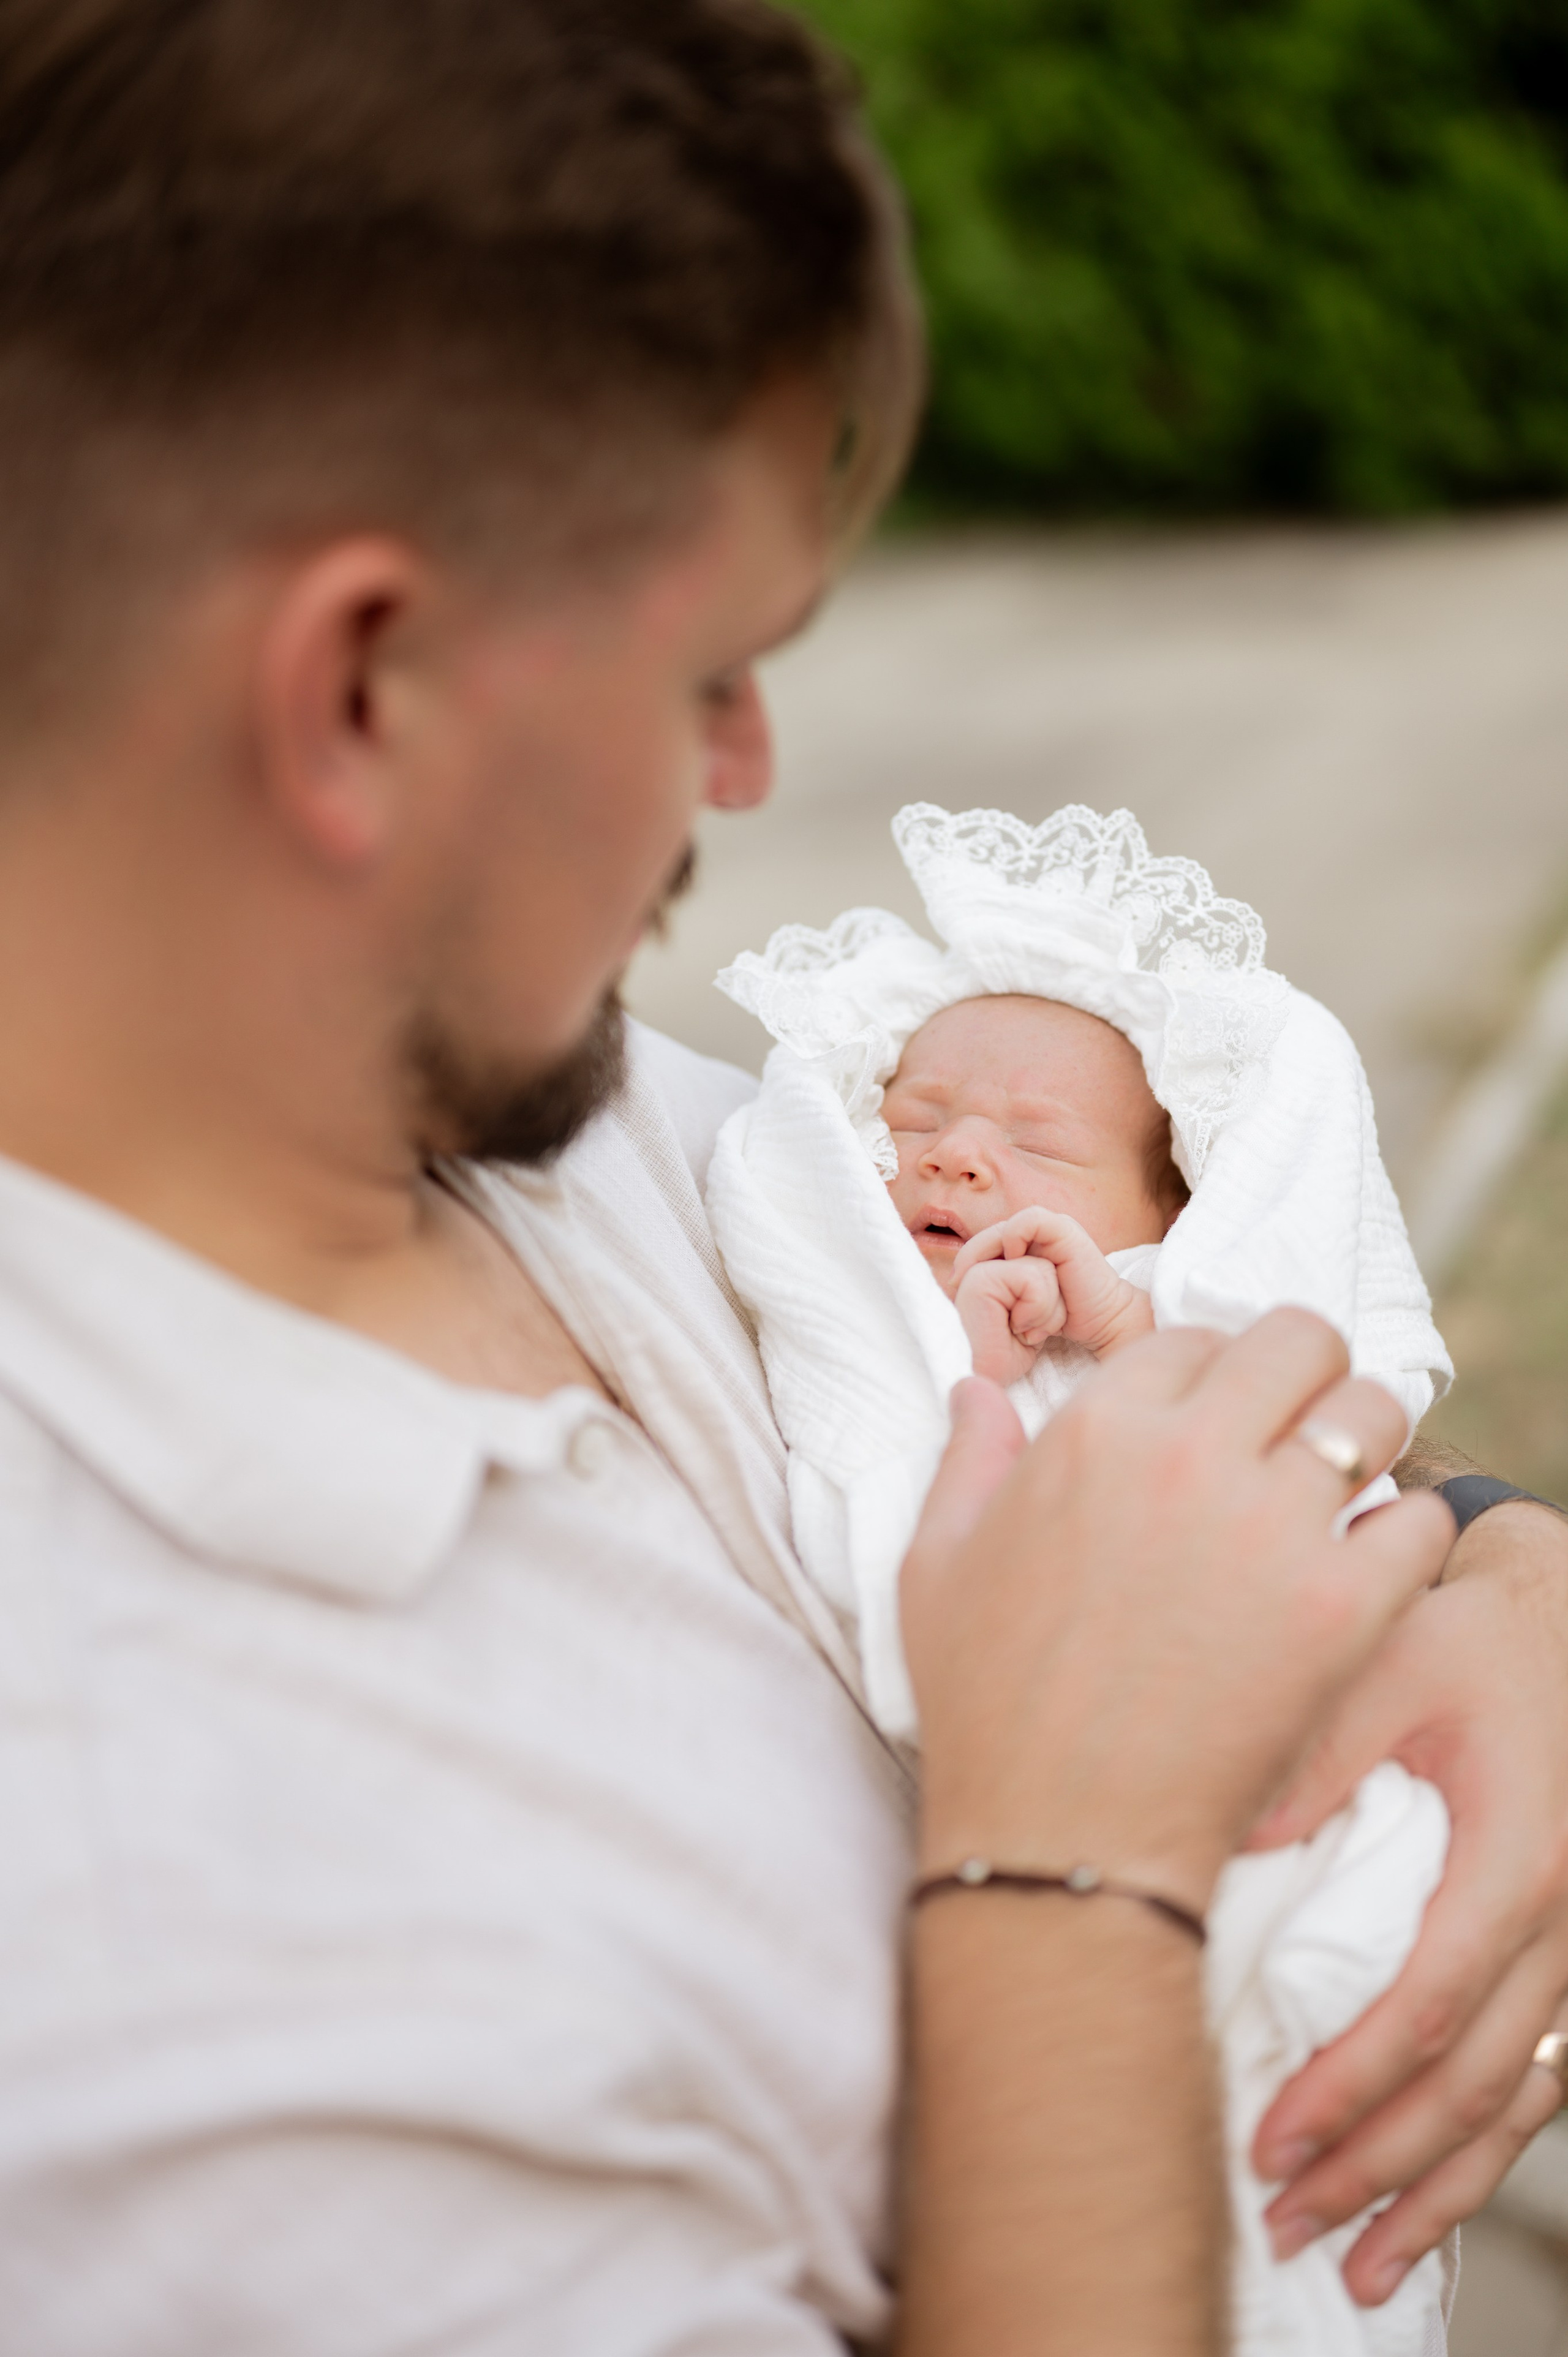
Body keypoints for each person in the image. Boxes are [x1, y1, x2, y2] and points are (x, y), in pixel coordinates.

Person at [0, 6, 1563, 2355]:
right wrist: (1075, 1859)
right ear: (359, 689)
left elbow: (1148, 1414)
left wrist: (1501, 1564)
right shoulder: (151, 1985)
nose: (745, 771)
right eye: (710, 670)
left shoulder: (558, 1115)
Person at [704, 796, 1461, 2351]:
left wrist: (1117, 1325)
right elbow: (932, 1461)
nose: (955, 1154)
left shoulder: (1156, 1321)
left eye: (1036, 1143)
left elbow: (1257, 1431)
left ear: (1168, 1215)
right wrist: (971, 1363)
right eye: (911, 1121)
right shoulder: (869, 1326)